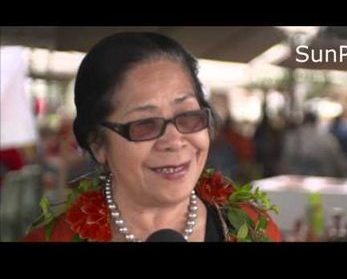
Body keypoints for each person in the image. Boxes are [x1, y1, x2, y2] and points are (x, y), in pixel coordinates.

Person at [23, 32, 281, 242]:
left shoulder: (253, 229)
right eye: (145, 124)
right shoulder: (53, 237)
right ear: (98, 144)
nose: (174, 140)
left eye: (189, 115)